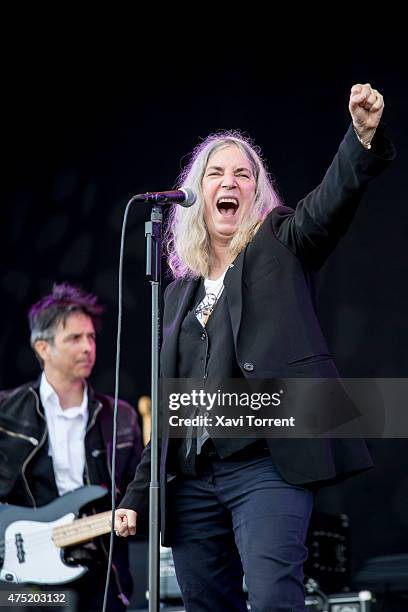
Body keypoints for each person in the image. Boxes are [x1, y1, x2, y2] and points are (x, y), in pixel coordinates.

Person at [115, 84, 396, 611]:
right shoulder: (177, 295)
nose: (229, 182)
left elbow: (328, 206)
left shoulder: (279, 244)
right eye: (216, 174)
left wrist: (360, 138)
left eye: (242, 174)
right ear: (195, 194)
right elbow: (172, 406)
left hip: (265, 465)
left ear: (255, 193)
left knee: (271, 599)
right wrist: (137, 494)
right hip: (193, 482)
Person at [0, 283, 143, 611]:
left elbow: (138, 491)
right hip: (24, 573)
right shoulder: (5, 413)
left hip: (100, 566)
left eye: (91, 337)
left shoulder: (120, 417)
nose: (87, 348)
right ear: (42, 348)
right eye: (74, 338)